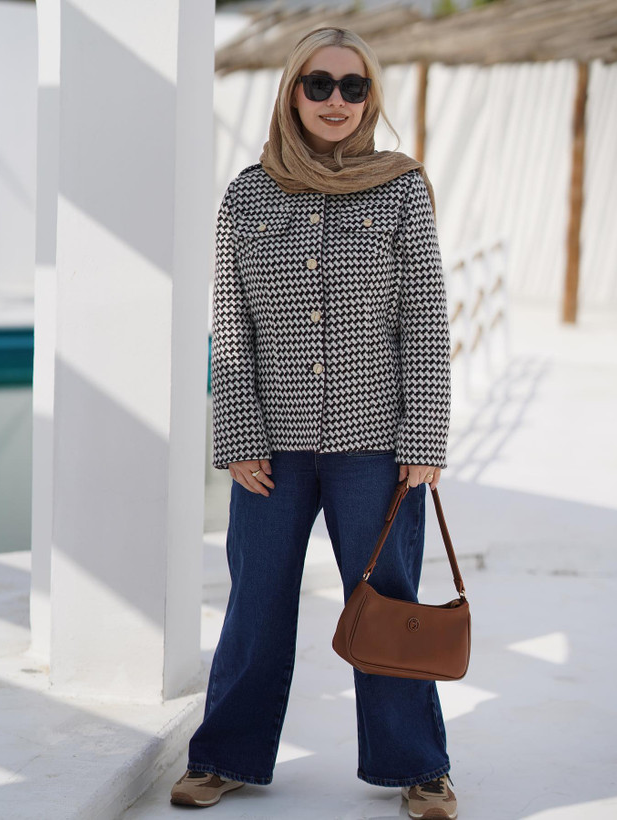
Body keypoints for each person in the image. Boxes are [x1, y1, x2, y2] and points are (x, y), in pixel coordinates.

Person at [171, 26, 456, 820]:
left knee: (389, 603)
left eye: (352, 87)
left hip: (377, 445)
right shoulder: (247, 195)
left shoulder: (401, 188)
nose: (336, 100)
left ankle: (420, 767)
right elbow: (232, 325)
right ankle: (222, 757)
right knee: (256, 601)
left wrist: (425, 438)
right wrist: (238, 436)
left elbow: (425, 321)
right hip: (272, 450)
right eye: (319, 84)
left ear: (370, 98)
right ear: (292, 94)